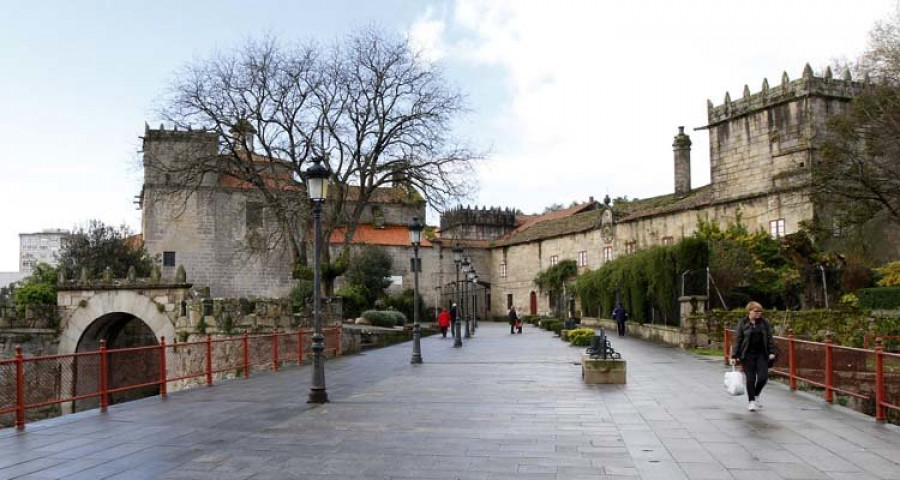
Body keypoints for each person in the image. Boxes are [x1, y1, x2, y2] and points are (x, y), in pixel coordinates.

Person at [730, 301, 776, 412]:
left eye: (760, 311)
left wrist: (771, 351)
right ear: (749, 311)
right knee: (750, 379)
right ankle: (751, 401)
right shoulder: (743, 323)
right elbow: (738, 340)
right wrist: (734, 356)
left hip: (762, 354)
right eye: (756, 311)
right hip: (747, 355)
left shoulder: (764, 323)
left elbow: (770, 338)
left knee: (763, 378)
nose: (758, 313)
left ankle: (756, 394)